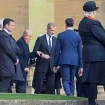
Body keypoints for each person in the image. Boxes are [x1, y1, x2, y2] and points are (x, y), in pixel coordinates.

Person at [78, 1, 105, 105]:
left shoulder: (82, 23)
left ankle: (91, 101)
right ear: (93, 12)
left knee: (91, 79)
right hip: (98, 55)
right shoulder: (93, 23)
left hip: (88, 55)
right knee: (95, 79)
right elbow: (103, 37)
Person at [54, 18, 83, 96]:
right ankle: (71, 96)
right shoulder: (77, 36)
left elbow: (57, 51)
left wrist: (55, 64)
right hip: (74, 60)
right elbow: (80, 52)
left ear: (65, 24)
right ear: (73, 24)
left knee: (65, 80)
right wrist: (81, 66)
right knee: (71, 80)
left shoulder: (61, 35)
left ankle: (69, 94)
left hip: (64, 60)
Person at [32, 22, 56, 94]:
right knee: (39, 84)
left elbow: (56, 52)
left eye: (54, 30)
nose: (53, 32)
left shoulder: (55, 39)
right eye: (51, 30)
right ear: (48, 29)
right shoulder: (40, 39)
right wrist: (42, 55)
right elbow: (35, 51)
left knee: (51, 85)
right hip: (42, 65)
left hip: (51, 65)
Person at [0, 18, 19, 92]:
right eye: (12, 25)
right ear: (6, 26)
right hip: (5, 65)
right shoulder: (3, 35)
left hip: (7, 65)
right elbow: (8, 49)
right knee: (4, 86)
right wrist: (15, 58)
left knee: (7, 86)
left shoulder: (6, 35)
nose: (13, 27)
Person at [15, 28, 32, 93]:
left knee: (23, 85)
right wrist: (24, 66)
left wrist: (36, 53)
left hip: (24, 68)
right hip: (21, 69)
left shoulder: (25, 43)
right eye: (29, 36)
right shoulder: (20, 42)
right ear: (25, 36)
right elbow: (19, 56)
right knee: (21, 86)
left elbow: (28, 54)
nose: (30, 38)